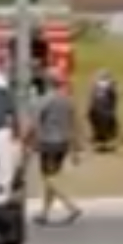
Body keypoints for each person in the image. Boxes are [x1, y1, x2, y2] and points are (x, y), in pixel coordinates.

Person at [29, 74, 84, 226]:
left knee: (48, 177)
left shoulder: (44, 100)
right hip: (63, 143)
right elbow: (75, 124)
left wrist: (33, 141)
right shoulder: (68, 100)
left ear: (48, 84)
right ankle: (44, 213)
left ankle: (70, 206)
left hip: (48, 142)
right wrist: (75, 148)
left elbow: (36, 122)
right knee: (53, 177)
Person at [86, 70, 120, 153]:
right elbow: (115, 98)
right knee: (111, 128)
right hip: (106, 111)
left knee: (97, 128)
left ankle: (99, 145)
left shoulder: (95, 86)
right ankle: (107, 145)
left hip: (95, 111)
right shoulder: (111, 85)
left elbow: (92, 99)